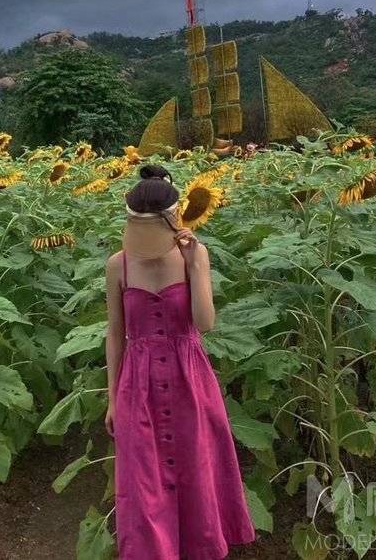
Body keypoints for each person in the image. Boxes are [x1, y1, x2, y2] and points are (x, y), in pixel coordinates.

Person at [105, 165, 256, 559]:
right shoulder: (117, 264)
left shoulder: (195, 254)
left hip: (189, 376)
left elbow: (204, 323)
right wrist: (111, 400)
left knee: (196, 468)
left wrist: (195, 264)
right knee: (144, 480)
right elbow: (114, 334)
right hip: (138, 384)